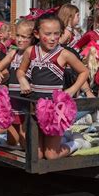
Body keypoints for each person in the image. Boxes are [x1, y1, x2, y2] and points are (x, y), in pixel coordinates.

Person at [16, 13, 89, 159]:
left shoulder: (64, 54)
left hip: (55, 108)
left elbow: (84, 71)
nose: (52, 38)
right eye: (48, 34)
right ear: (37, 34)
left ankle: (77, 143)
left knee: (51, 156)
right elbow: (20, 70)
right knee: (36, 154)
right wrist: (22, 80)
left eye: (56, 34)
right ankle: (62, 138)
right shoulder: (31, 51)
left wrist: (72, 89)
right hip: (35, 105)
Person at [0, 20, 36, 148]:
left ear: (33, 38)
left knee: (24, 139)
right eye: (17, 36)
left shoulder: (33, 53)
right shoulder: (13, 52)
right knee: (12, 141)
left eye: (24, 37)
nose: (20, 40)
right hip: (12, 98)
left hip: (25, 98)